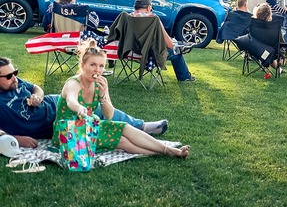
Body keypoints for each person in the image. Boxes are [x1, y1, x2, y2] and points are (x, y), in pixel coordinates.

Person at [52, 40, 190, 158]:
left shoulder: (99, 84)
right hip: (68, 134)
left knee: (124, 127)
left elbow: (109, 115)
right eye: (93, 65)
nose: (97, 70)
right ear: (83, 65)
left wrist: (103, 95)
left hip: (89, 127)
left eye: (101, 66)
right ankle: (167, 152)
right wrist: (79, 108)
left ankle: (167, 151)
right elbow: (71, 100)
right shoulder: (73, 83)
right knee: (122, 142)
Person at [0, 57, 168, 148]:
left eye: (15, 72)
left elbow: (36, 87)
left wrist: (38, 96)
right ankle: (141, 133)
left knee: (97, 109)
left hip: (54, 104)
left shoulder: (16, 81)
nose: (14, 77)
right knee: (90, 115)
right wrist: (16, 139)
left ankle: (141, 126)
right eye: (8, 76)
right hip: (51, 124)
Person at [131, 0, 195, 82]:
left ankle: (185, 76)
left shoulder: (127, 18)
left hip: (132, 52)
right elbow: (169, 44)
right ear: (149, 8)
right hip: (151, 54)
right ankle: (185, 77)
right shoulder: (153, 19)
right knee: (176, 51)